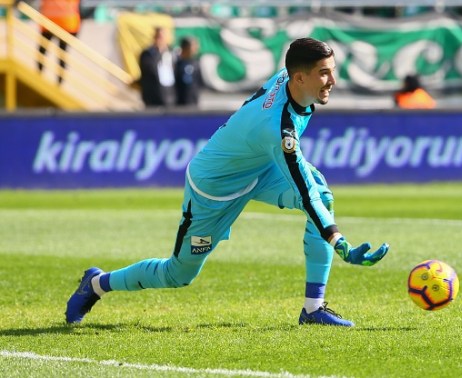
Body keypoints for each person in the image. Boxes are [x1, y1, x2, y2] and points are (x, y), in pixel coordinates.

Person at [65, 38, 390, 327]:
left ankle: (313, 307)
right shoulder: (277, 129)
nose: (333, 80)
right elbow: (303, 193)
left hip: (258, 170)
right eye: (324, 73)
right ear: (299, 77)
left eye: (332, 71)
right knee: (178, 275)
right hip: (213, 189)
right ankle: (97, 283)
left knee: (322, 193)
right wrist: (340, 244)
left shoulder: (290, 82)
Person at [37, 0, 82, 84]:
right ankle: (59, 83)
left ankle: (41, 80)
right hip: (66, 23)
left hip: (50, 22)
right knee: (61, 55)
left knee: (42, 52)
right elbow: (80, 6)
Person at [138, 27, 177, 107]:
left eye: (162, 37)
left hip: (169, 94)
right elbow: (149, 70)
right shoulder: (148, 54)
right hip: (153, 95)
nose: (160, 40)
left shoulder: (172, 53)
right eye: (158, 37)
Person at [174, 36, 202, 106]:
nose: (195, 48)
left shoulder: (196, 63)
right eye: (193, 46)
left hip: (193, 101)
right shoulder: (176, 63)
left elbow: (199, 82)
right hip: (179, 102)